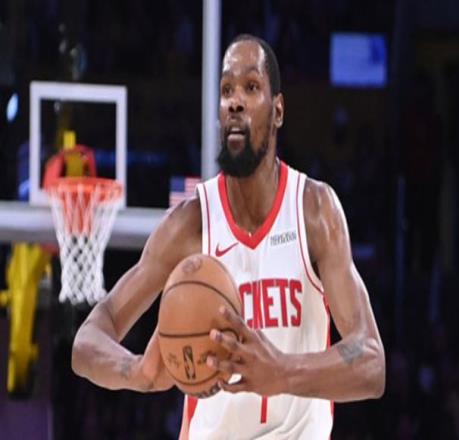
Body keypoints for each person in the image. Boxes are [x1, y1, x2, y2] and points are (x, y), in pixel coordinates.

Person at [72, 34, 386, 439]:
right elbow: (86, 342)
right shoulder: (190, 224)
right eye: (226, 90)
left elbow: (372, 364)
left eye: (251, 87)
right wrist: (137, 372)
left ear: (278, 110)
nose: (235, 101)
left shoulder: (314, 211)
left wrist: (283, 371)